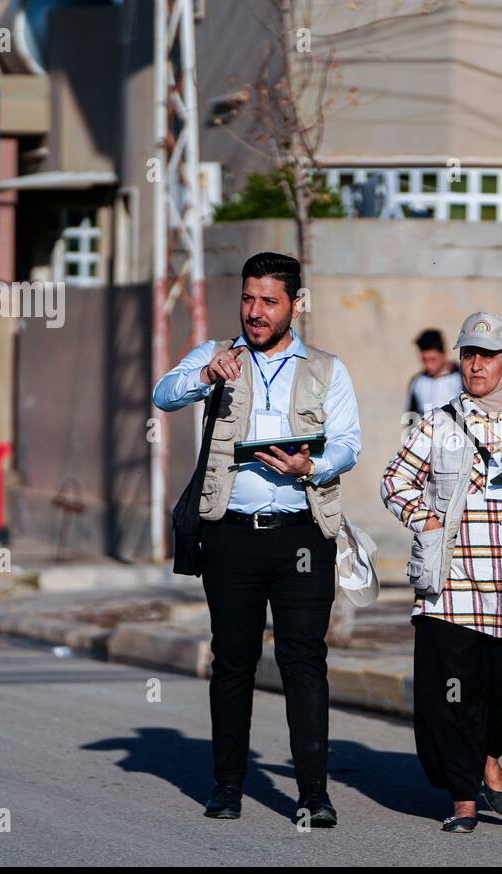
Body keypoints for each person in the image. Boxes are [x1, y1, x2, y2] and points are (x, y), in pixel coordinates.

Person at [152, 251, 361, 828]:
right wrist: (203, 376)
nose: (255, 311)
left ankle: (313, 793)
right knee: (233, 661)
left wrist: (309, 469)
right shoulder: (217, 357)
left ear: (295, 304)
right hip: (231, 536)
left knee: (303, 662)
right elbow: (163, 395)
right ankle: (227, 786)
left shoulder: (326, 368)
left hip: (301, 533)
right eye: (248, 299)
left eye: (269, 301)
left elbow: (348, 442)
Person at [379, 311, 502, 832]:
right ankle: (463, 801)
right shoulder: (437, 422)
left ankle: (489, 755)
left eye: (487, 356)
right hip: (452, 587)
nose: (476, 364)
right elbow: (393, 481)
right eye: (468, 354)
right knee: (452, 696)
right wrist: (424, 518)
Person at [405, 328, 461, 416]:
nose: (428, 365)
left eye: (432, 359)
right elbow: (411, 416)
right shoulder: (417, 382)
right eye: (424, 360)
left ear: (444, 353)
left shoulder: (461, 379)